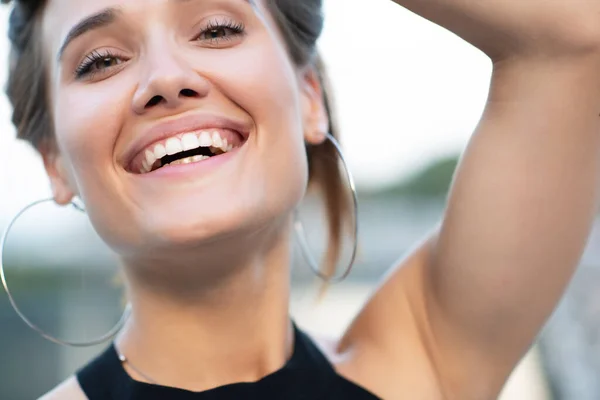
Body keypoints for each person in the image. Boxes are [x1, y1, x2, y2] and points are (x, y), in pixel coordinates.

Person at [2, 0, 600, 398]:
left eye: (216, 28)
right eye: (101, 61)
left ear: (309, 95)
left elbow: (573, 36)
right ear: (55, 161)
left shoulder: (423, 361)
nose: (163, 79)